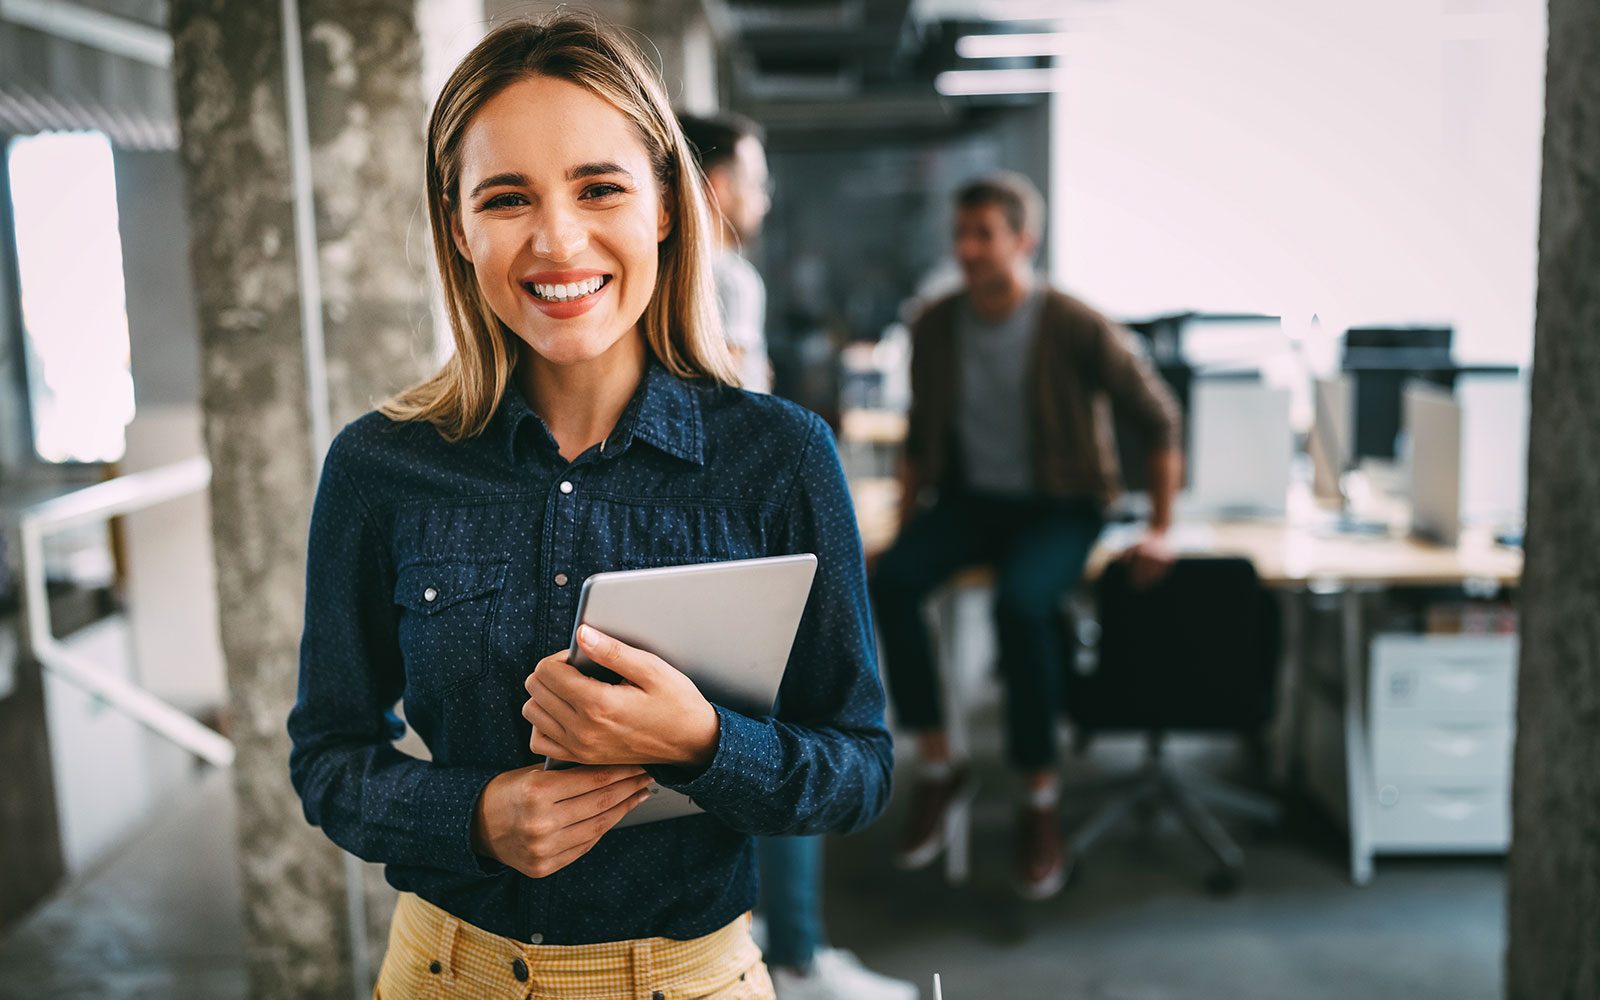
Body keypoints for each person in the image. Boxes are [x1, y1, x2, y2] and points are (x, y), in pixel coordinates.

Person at [287, 17, 892, 1000]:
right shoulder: (380, 466)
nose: (557, 239)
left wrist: (703, 742)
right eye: (507, 197)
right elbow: (327, 759)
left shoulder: (781, 458)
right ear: (458, 227)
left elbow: (858, 768)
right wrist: (471, 813)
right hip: (448, 975)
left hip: (689, 977)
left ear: (662, 202)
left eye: (599, 186)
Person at [869, 171, 1181, 900]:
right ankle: (942, 769)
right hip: (974, 501)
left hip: (1063, 505)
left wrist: (1162, 528)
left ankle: (1039, 797)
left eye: (983, 234)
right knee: (891, 581)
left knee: (1022, 605)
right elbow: (919, 438)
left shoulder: (1072, 322)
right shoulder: (937, 325)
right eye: (961, 235)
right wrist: (906, 528)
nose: (967, 249)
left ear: (1023, 241)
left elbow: (1157, 417)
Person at [678, 111, 918, 1000]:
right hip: (742, 529)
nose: (764, 194)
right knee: (791, 730)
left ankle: (771, 938)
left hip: (701, 530)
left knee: (716, 742)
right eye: (753, 175)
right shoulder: (726, 276)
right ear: (709, 181)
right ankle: (799, 958)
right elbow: (740, 406)